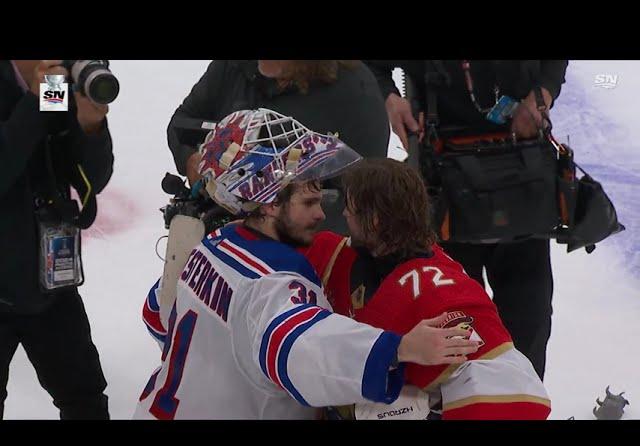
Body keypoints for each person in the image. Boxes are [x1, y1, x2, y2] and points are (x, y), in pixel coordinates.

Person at [135, 109, 479, 420]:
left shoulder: (214, 244)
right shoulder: (271, 281)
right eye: (308, 202)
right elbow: (299, 348)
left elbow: (158, 314)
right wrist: (398, 348)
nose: (321, 213)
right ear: (268, 204)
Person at [365, 60, 569, 379]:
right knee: (456, 326)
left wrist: (542, 94)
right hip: (445, 188)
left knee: (529, 320)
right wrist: (391, 100)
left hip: (521, 178)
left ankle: (522, 403)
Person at [302, 159, 551, 419]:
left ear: (374, 220)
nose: (344, 214)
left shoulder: (432, 293)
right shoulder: (353, 255)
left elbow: (514, 393)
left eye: (349, 207)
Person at [0, 60, 113, 419]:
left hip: (49, 282)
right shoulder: (42, 86)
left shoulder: (55, 82)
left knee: (85, 400)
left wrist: (90, 127)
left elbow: (81, 175)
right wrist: (35, 100)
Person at [167, 60, 390, 233]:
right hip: (217, 234)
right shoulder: (233, 67)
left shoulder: (355, 91)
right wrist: (191, 160)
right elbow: (182, 123)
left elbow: (368, 193)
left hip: (302, 255)